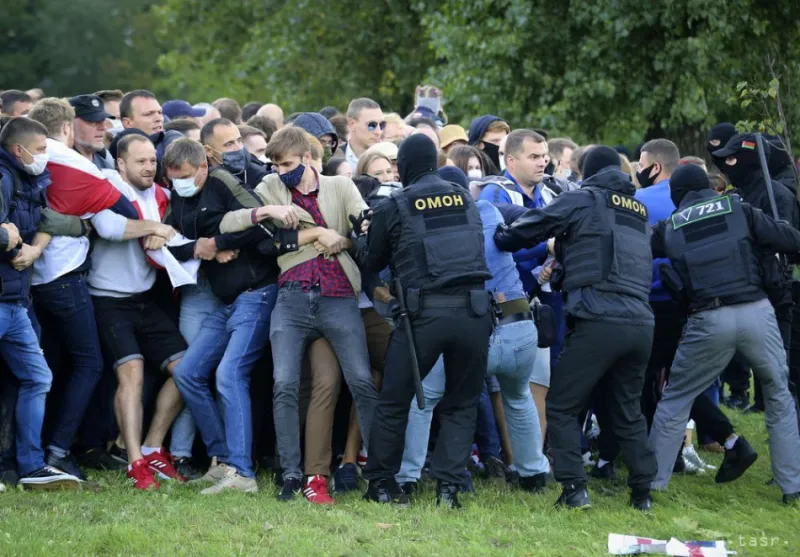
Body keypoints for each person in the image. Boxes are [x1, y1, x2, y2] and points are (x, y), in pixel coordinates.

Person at [216, 126, 379, 503]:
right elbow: (246, 233)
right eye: (275, 164)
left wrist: (347, 237)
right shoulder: (271, 187)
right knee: (284, 383)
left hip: (339, 293)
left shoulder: (340, 186)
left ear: (308, 158)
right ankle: (290, 472)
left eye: (287, 164)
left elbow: (364, 230)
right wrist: (295, 224)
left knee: (360, 380)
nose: (280, 171)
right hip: (291, 296)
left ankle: (380, 472)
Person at [495, 146, 657, 511]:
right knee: (627, 410)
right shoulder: (637, 210)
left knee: (563, 405)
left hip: (599, 318)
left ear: (588, 173)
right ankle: (642, 493)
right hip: (641, 323)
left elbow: (534, 225)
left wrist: (503, 237)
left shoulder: (585, 198)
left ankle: (573, 489)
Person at [647, 163, 800, 504]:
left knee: (676, 400)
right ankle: (792, 487)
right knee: (778, 395)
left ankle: (652, 487)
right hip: (757, 311)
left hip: (707, 320)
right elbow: (790, 239)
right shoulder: (740, 208)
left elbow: (635, 250)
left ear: (677, 195)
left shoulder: (670, 226)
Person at [395, 165, 549, 497]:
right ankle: (534, 473)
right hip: (520, 324)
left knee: (425, 399)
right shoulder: (489, 209)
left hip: (471, 328)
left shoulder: (432, 222)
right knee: (518, 396)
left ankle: (407, 476)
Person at [357, 134, 494, 508]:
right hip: (474, 312)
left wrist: (362, 235)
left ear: (404, 167)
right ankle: (449, 489)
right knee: (462, 402)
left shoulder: (396, 203)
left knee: (394, 400)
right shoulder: (464, 196)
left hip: (424, 315)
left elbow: (371, 261)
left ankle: (381, 484)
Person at [163, 138, 298, 494]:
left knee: (229, 373)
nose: (180, 184)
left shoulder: (223, 182)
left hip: (257, 293)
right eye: (174, 178)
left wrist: (222, 243)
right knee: (188, 373)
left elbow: (264, 223)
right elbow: (168, 243)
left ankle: (242, 473)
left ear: (204, 167)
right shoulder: (176, 194)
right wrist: (201, 248)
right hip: (225, 301)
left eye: (186, 176)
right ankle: (222, 460)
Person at [88, 134, 187, 490]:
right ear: (120, 163)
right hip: (108, 299)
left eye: (152, 161)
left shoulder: (162, 195)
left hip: (146, 299)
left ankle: (152, 447)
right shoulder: (107, 186)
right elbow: (109, 228)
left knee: (188, 371)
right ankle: (134, 462)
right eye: (140, 161)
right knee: (132, 373)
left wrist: (167, 230)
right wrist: (156, 227)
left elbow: (177, 233)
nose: (148, 167)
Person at [0, 117, 82, 490]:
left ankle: (31, 467)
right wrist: (9, 240)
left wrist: (22, 241)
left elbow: (45, 221)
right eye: (41, 149)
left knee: (38, 377)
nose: (46, 156)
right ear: (19, 150)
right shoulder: (4, 178)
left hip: (16, 301)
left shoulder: (31, 179)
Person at [714, 133, 799, 413]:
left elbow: (789, 240)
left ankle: (778, 407)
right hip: (740, 286)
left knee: (778, 358)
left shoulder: (777, 196)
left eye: (732, 158)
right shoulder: (734, 196)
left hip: (775, 287)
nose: (727, 165)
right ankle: (759, 400)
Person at [201, 118, 267, 190]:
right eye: (229, 144)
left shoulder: (259, 177)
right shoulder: (199, 179)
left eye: (239, 140)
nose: (239, 148)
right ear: (208, 151)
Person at [69, 94, 115, 170]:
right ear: (70, 124)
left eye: (103, 120)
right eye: (93, 121)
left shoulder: (106, 161)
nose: (103, 127)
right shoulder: (61, 162)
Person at [345, 98, 384, 170]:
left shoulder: (393, 157)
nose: (378, 132)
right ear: (352, 124)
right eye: (371, 125)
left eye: (382, 124)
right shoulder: (334, 158)